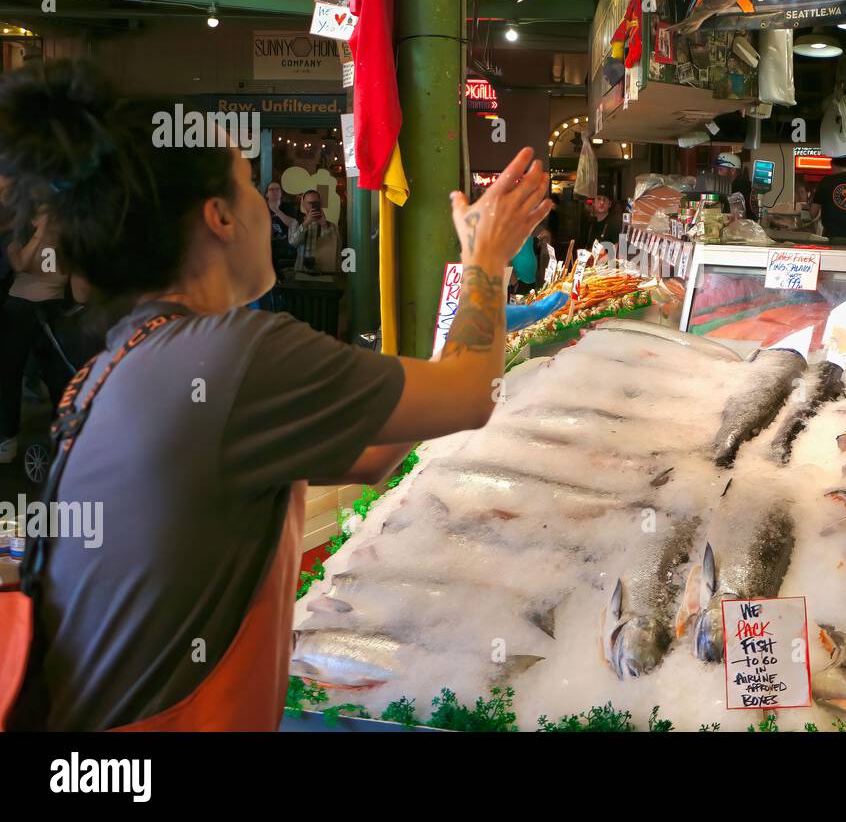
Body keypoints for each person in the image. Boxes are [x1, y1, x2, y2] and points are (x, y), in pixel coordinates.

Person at [0, 61, 552, 731]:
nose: (268, 203)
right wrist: (487, 261)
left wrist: (467, 303)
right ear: (220, 218)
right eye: (250, 187)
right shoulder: (232, 353)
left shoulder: (127, 357)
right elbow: (471, 395)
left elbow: (374, 453)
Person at [0, 210, 71, 465]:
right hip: (19, 306)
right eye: (42, 213)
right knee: (9, 373)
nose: (51, 217)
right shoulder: (17, 239)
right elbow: (20, 265)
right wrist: (40, 234)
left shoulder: (68, 241)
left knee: (57, 376)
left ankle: (62, 433)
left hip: (52, 308)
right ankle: (8, 438)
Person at [290, 189, 340, 275]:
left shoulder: (331, 226)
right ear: (303, 204)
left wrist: (324, 225)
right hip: (301, 271)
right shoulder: (296, 223)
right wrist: (305, 224)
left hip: (324, 272)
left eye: (315, 203)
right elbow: (293, 243)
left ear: (320, 204)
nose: (312, 206)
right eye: (310, 203)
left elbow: (336, 246)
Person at [265, 181, 299, 274]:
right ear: (267, 194)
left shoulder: (287, 207)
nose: (275, 191)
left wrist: (277, 210)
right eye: (271, 189)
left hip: (286, 241)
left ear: (281, 193)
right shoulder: (262, 208)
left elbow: (293, 224)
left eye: (277, 189)